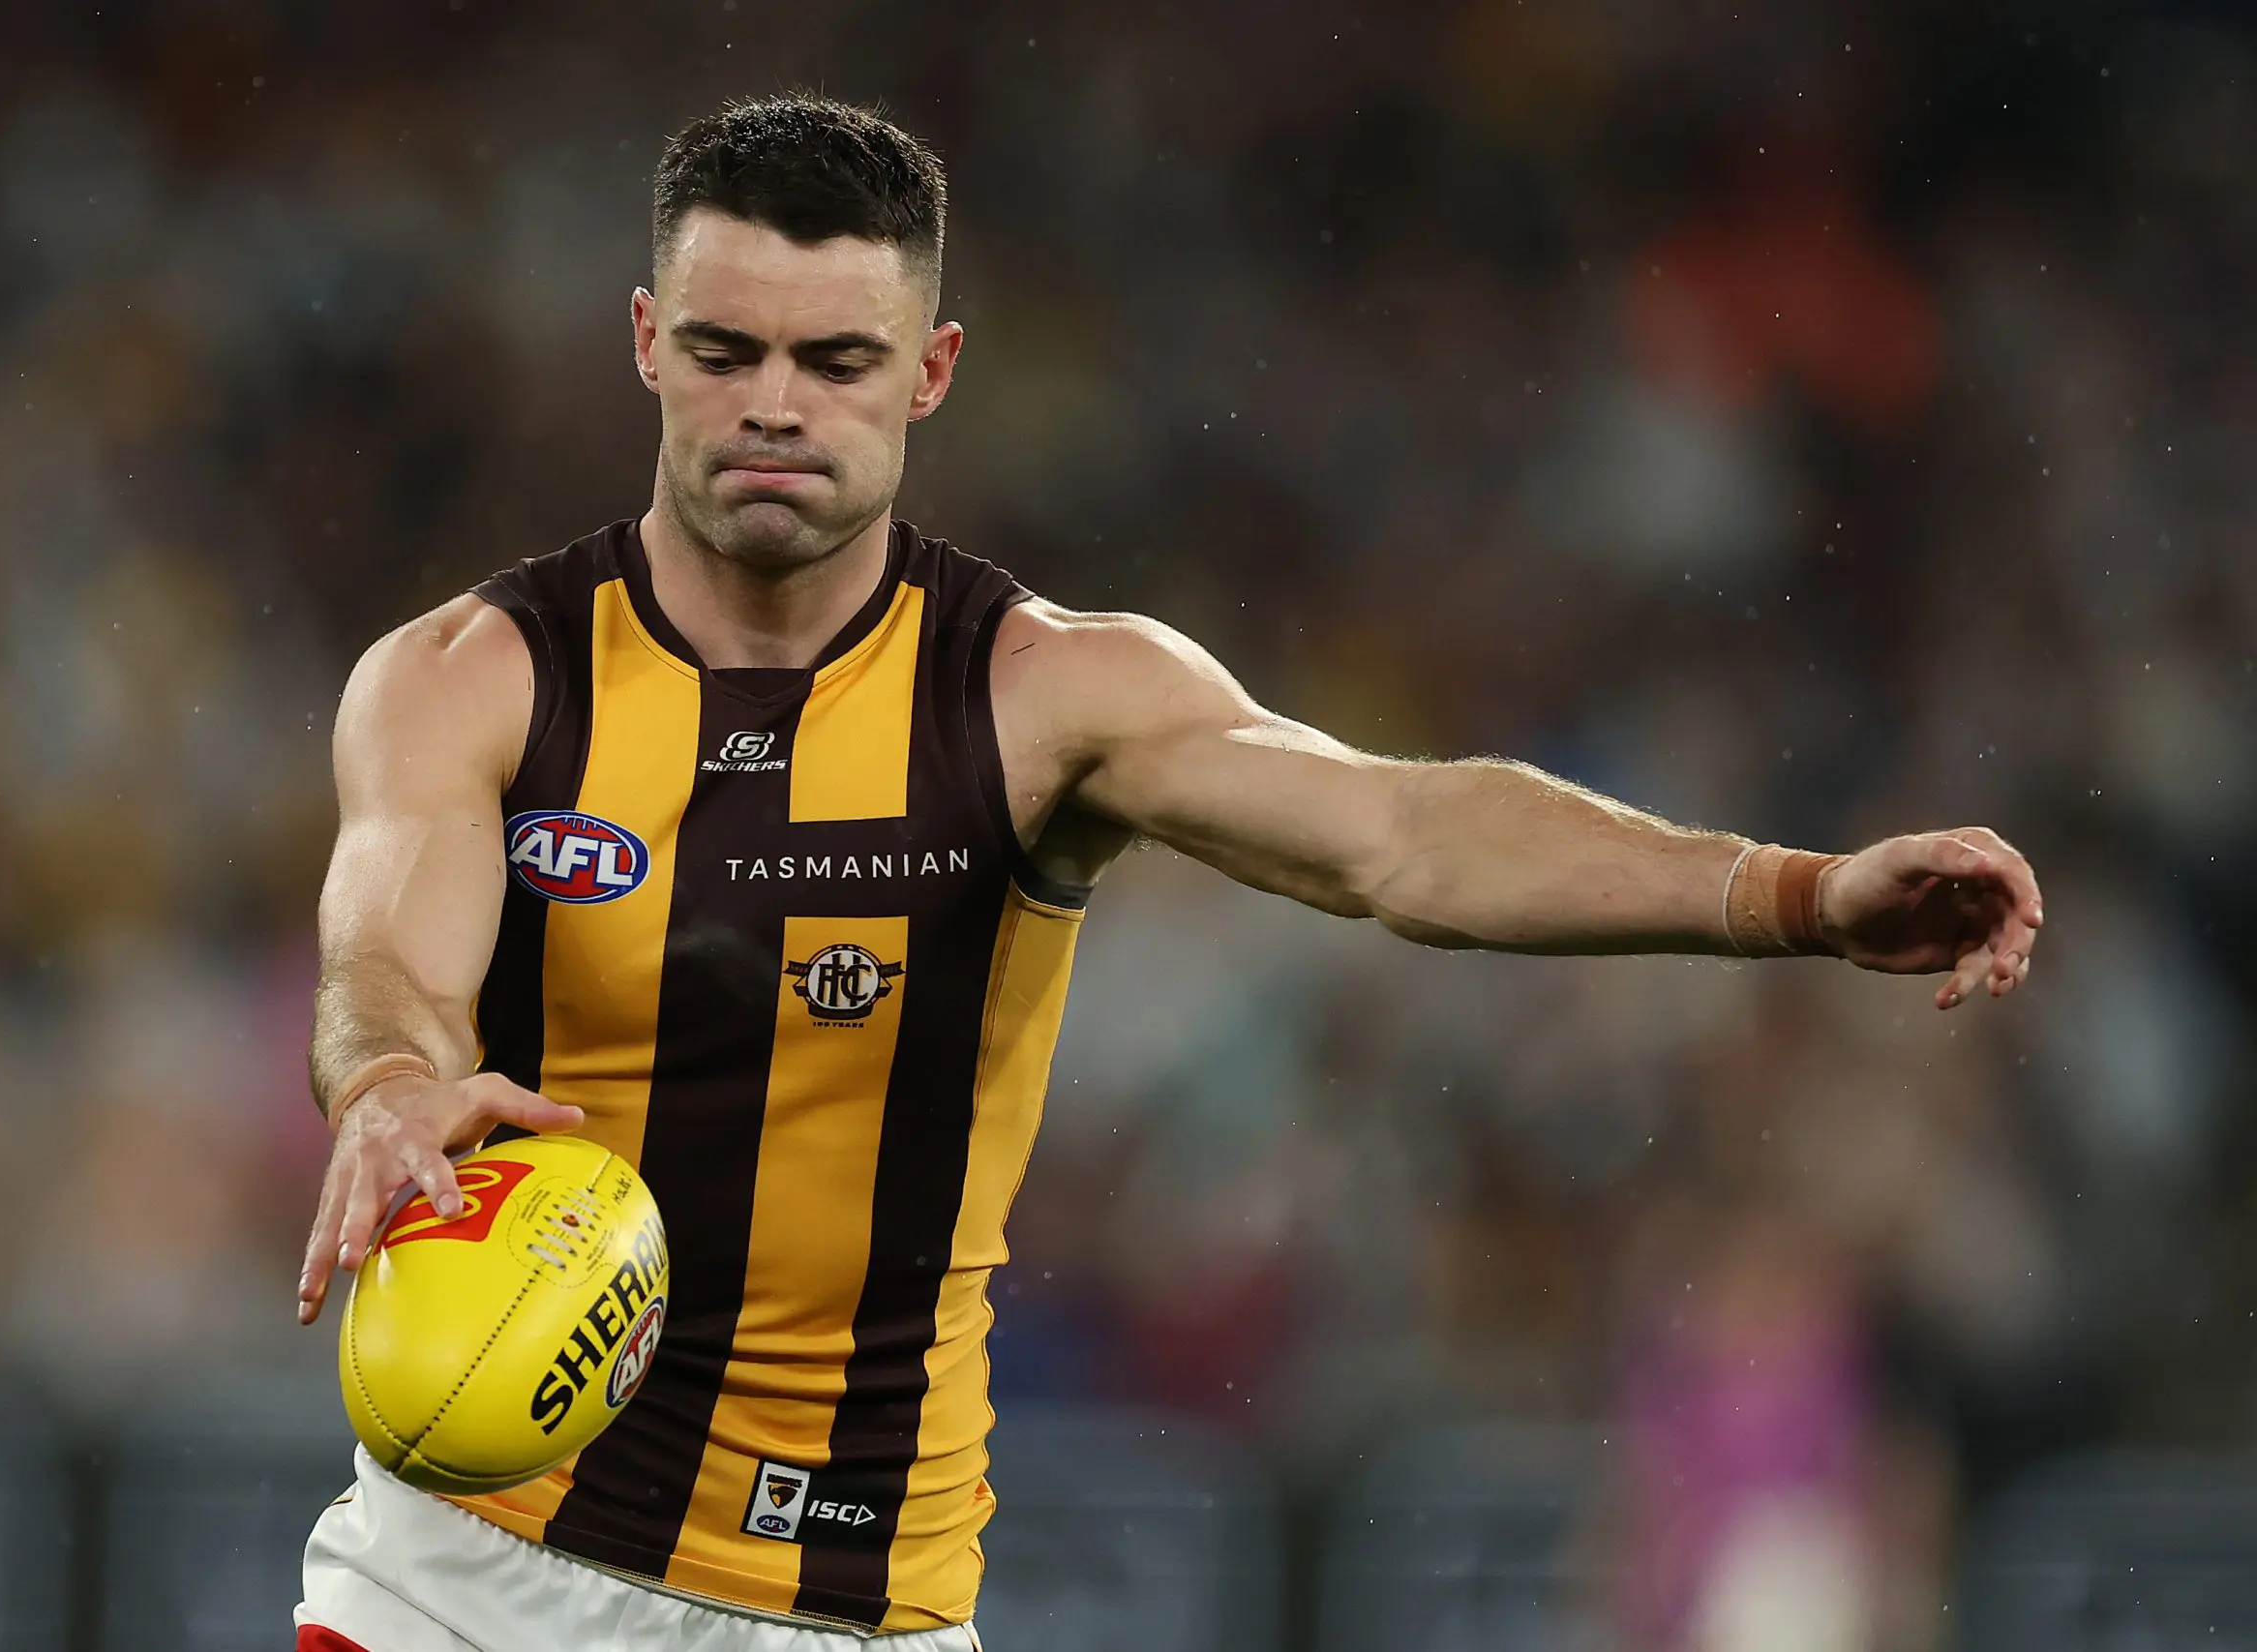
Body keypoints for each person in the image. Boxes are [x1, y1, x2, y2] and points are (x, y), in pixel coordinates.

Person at [290, 95, 2043, 1652]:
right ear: (647, 342)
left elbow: (1405, 833)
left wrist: (1800, 891)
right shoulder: (478, 676)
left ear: (933, 370)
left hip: (844, 1599)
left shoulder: (1044, 695)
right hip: (460, 1567)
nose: (774, 405)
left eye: (835, 361)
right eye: (727, 348)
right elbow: (389, 952)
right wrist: (384, 1082)